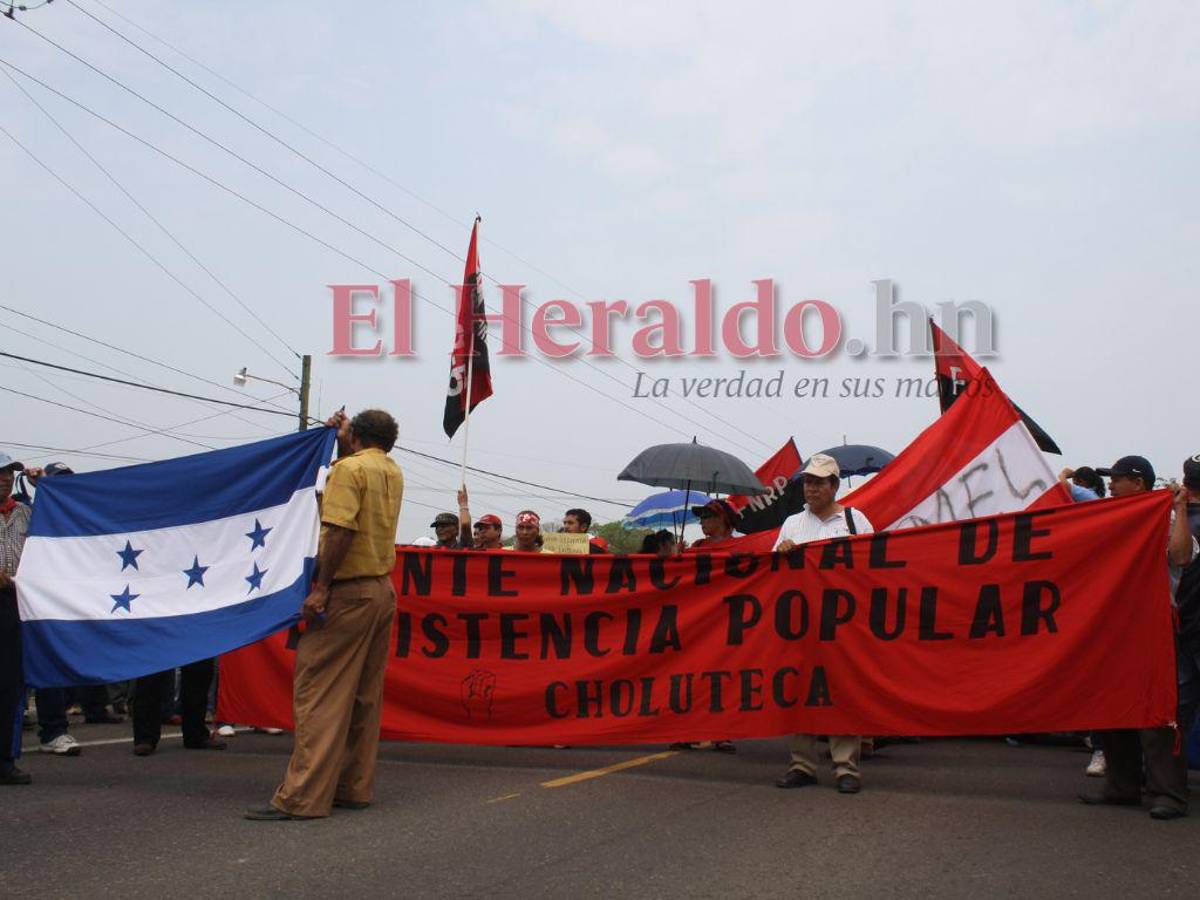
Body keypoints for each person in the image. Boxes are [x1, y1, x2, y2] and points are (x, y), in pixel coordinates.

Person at [246, 409, 404, 820]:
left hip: (347, 591)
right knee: (362, 697)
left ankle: (302, 797)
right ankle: (353, 786)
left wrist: (321, 587)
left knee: (319, 694)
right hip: (380, 589)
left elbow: (339, 529)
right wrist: (337, 440)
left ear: (356, 437)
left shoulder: (348, 471)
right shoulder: (391, 470)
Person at [1079, 455, 1198, 820]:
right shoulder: (1111, 521)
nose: (1111, 485)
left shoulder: (1163, 520)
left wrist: (1175, 507)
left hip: (1157, 631)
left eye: (1118, 479)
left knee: (1159, 714)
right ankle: (1122, 787)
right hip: (1116, 632)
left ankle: (1169, 794)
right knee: (1110, 706)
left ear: (1139, 483)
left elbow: (1180, 556)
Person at [773, 453, 874, 795]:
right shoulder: (791, 524)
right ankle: (802, 764)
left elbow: (873, 566)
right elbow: (772, 575)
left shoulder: (855, 520)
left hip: (842, 625)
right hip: (800, 624)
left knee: (841, 691)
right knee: (800, 690)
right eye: (807, 482)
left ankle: (846, 766)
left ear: (835, 485)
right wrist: (782, 553)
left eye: (818, 482)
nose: (811, 488)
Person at [0, 451, 32, 784]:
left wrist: (48, 489)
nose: (5, 479)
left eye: (9, 473)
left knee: (9, 685)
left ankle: (5, 759)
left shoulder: (25, 513)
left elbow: (62, 526)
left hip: (14, 603)